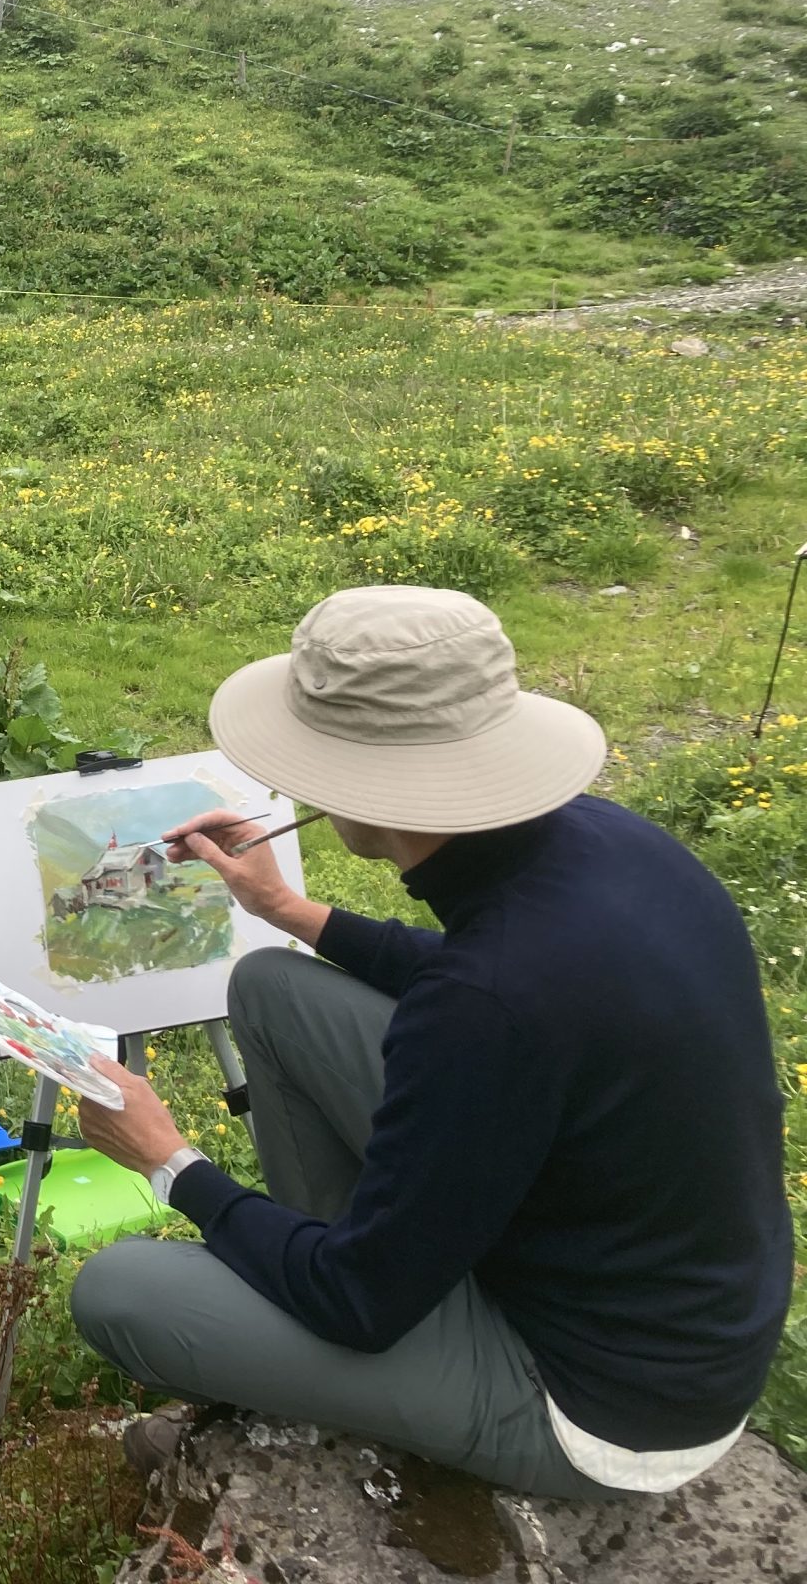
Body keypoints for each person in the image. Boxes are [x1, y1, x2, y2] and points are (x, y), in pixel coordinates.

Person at [71, 585, 791, 1499]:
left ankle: (361, 1308)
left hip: (602, 1410)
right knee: (270, 984)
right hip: (665, 1304)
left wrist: (170, 1161)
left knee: (121, 1293)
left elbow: (361, 1301)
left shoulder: (487, 1006)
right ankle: (360, 1266)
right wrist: (287, 911)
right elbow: (472, 974)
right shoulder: (608, 844)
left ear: (360, 781)